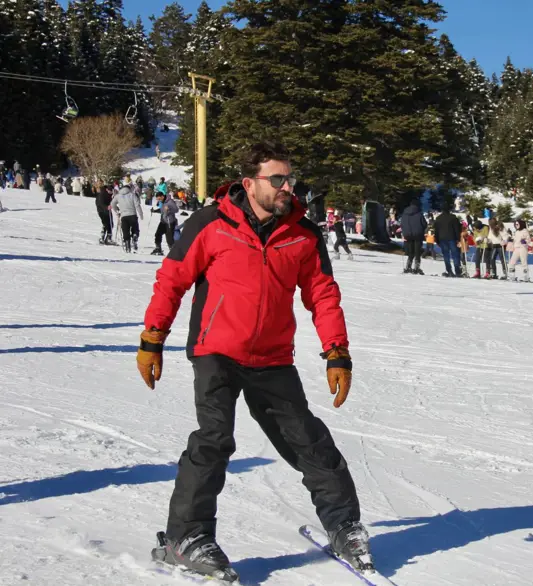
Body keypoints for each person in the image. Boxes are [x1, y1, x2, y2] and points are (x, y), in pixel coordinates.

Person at [138, 142, 368, 581]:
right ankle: (186, 537)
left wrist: (337, 351)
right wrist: (153, 338)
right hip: (216, 350)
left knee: (307, 438)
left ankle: (344, 526)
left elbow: (322, 293)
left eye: (289, 179)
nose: (287, 187)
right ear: (250, 183)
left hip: (272, 356)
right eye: (277, 179)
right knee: (213, 439)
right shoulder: (211, 223)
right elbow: (172, 280)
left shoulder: (303, 233)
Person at [111, 185, 143, 252]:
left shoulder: (118, 196)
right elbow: (137, 205)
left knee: (125, 231)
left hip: (124, 216)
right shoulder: (132, 195)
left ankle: (127, 246)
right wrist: (141, 214)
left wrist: (117, 210)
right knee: (135, 228)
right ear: (129, 189)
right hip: (133, 215)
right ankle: (135, 235)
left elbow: (112, 204)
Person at [432, 205, 462, 277]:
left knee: (446, 255)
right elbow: (457, 229)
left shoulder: (438, 218)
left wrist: (437, 240)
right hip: (452, 238)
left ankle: (449, 270)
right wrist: (458, 239)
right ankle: (457, 270)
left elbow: (436, 231)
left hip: (442, 238)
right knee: (455, 254)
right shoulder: (453, 218)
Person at [400, 198, 426, 274]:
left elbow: (402, 224)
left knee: (410, 252)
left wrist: (405, 232)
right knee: (417, 252)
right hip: (418, 235)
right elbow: (424, 224)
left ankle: (408, 266)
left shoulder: (405, 213)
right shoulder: (419, 213)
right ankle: (416, 267)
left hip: (408, 235)